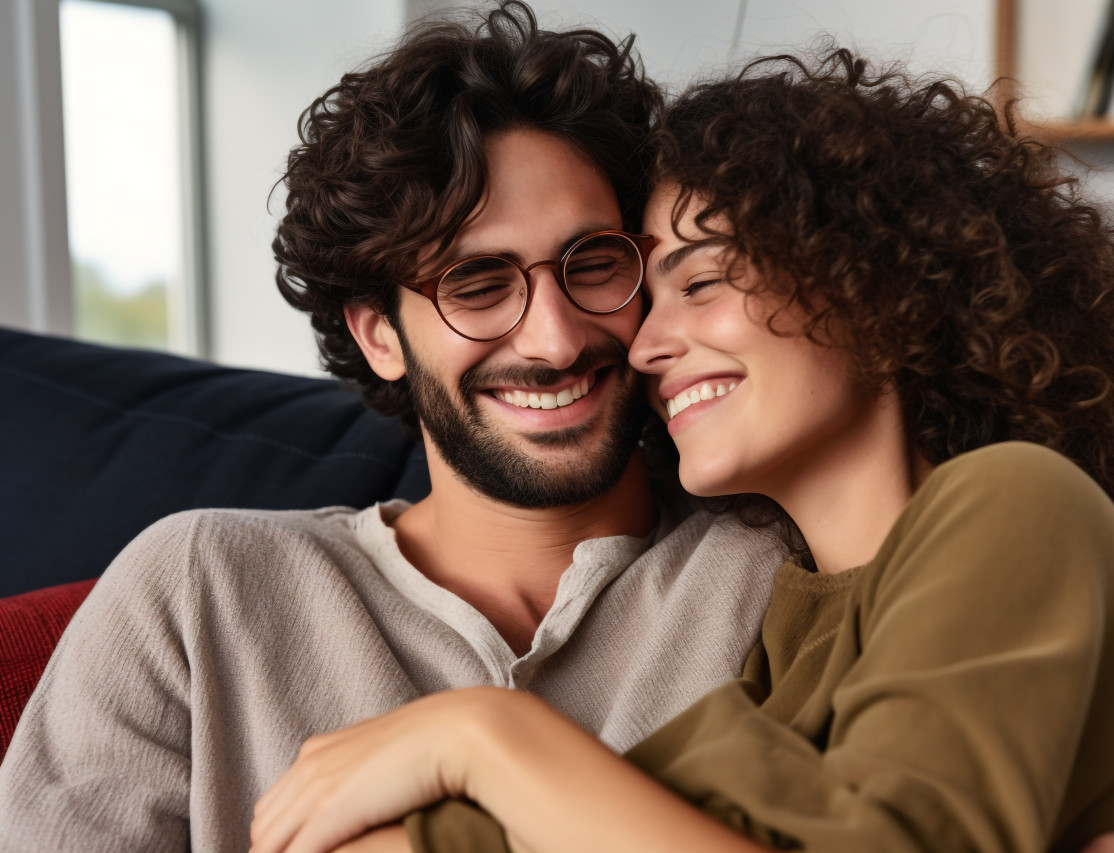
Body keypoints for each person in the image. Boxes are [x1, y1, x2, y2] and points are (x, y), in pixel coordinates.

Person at [245, 46, 1114, 853]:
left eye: (698, 281)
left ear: (871, 283)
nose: (639, 343)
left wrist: (477, 734)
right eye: (648, 296)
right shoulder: (786, 635)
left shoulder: (1012, 502)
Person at [0, 5, 788, 850]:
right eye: (478, 284)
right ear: (380, 333)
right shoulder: (198, 590)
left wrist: (482, 739)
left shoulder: (778, 570)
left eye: (592, 264)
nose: (556, 339)